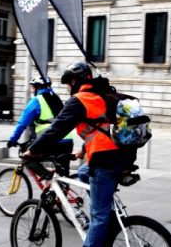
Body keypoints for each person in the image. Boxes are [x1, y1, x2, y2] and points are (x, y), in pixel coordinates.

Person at [23, 62, 135, 247]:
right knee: (83, 172)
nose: (68, 88)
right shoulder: (103, 95)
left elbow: (56, 129)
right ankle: (109, 217)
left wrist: (33, 151)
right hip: (125, 155)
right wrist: (82, 151)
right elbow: (102, 127)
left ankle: (102, 224)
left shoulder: (80, 99)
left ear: (74, 81)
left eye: (68, 84)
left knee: (98, 217)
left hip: (105, 159)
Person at [7, 76, 73, 175]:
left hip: (49, 141)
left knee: (26, 156)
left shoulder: (36, 100)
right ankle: (60, 188)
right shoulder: (56, 98)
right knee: (63, 175)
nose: (33, 90)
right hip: (67, 140)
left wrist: (12, 140)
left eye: (33, 87)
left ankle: (46, 176)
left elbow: (22, 124)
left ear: (38, 87)